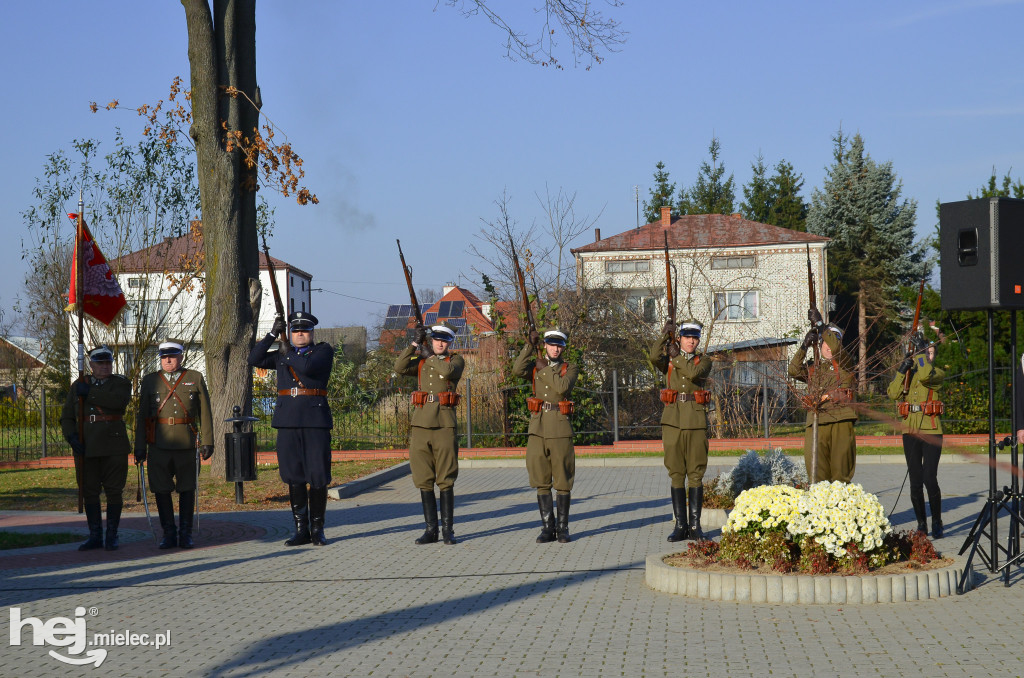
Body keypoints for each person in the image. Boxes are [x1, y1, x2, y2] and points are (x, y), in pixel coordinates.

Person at [248, 312, 335, 547]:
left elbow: (307, 368)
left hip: (315, 421)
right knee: (293, 476)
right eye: (295, 331)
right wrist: (271, 335)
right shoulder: (283, 354)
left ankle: (318, 529)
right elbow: (253, 359)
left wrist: (286, 354)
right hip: (287, 421)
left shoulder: (323, 351)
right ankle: (301, 529)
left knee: (317, 476)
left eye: (304, 331)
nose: (299, 335)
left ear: (312, 333)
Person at [135, 341, 214, 549]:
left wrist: (207, 441)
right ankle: (168, 533)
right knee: (161, 490)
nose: (167, 360)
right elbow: (142, 415)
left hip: (186, 444)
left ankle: (185, 533)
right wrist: (140, 445)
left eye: (171, 356)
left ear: (181, 357)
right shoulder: (150, 381)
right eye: (163, 357)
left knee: (187, 489)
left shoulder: (194, 378)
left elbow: (205, 411)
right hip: (158, 445)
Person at [393, 321, 465, 545]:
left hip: (444, 423)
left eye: (444, 340)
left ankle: (447, 531)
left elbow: (448, 371)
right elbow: (399, 367)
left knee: (445, 478)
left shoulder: (455, 360)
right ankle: (431, 530)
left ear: (449, 342)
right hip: (421, 423)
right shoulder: (422, 361)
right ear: (431, 340)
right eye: (436, 339)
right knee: (424, 478)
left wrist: (430, 357)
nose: (440, 343)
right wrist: (414, 343)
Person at [60, 346, 133, 551]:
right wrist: (72, 436)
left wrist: (90, 393)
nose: (104, 366)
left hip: (113, 446)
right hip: (86, 447)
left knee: (114, 491)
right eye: (100, 363)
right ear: (90, 365)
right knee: (89, 491)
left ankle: (112, 535)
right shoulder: (78, 385)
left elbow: (118, 403)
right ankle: (95, 535)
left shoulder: (120, 383)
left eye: (108, 362)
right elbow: (67, 416)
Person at [512, 328, 579, 543]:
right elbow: (516, 369)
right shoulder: (536, 366)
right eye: (551, 344)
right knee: (541, 480)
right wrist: (529, 346)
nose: (556, 348)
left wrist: (545, 369)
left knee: (562, 480)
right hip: (538, 427)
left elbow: (561, 388)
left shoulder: (569, 368)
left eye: (559, 345)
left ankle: (563, 528)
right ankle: (547, 528)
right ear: (545, 346)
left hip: (560, 426)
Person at [649, 319, 714, 541]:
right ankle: (680, 526)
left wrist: (676, 356)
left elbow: (694, 374)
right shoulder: (668, 360)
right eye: (687, 337)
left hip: (695, 421)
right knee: (676, 473)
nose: (691, 341)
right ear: (680, 338)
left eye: (695, 338)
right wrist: (663, 335)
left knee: (695, 473)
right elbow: (653, 357)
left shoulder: (704, 360)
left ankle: (695, 527)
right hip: (672, 420)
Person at [788, 311, 858, 483]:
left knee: (840, 474)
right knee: (817, 473)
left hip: (840, 419)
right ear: (819, 345)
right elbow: (793, 371)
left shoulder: (845, 363)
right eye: (824, 342)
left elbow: (837, 350)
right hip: (816, 421)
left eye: (832, 341)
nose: (828, 346)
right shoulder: (814, 369)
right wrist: (804, 346)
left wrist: (821, 326)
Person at [888, 335, 945, 537]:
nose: (927, 355)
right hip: (910, 430)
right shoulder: (909, 375)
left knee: (930, 478)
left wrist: (920, 355)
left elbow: (925, 376)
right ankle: (922, 524)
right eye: (924, 352)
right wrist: (902, 370)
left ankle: (937, 520)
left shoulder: (936, 373)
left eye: (930, 352)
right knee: (915, 480)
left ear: (934, 356)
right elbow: (893, 393)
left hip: (931, 430)